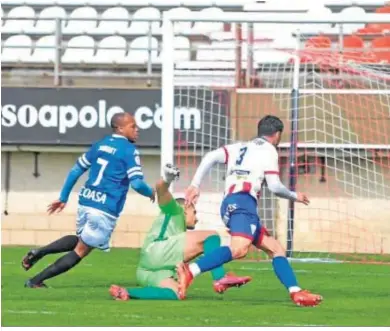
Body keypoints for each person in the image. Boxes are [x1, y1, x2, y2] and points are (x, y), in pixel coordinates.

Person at [178, 115, 323, 307]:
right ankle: (190, 270)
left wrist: (195, 184)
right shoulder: (269, 150)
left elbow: (210, 157)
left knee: (276, 249)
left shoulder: (239, 147)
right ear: (277, 134)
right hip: (243, 202)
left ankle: (296, 292)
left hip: (233, 202)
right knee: (239, 249)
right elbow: (274, 186)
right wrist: (294, 195)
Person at [22, 113, 155, 288]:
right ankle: (36, 281)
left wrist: (63, 197)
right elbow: (137, 183)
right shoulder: (129, 151)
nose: (137, 130)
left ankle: (39, 252)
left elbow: (76, 170)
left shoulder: (100, 145)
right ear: (120, 128)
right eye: (133, 126)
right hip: (104, 208)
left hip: (86, 201)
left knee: (81, 239)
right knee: (81, 250)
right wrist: (150, 192)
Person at [109, 164, 251, 301]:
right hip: (158, 251)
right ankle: (219, 277)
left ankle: (127, 292)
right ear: (185, 208)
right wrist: (167, 179)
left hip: (146, 272)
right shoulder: (175, 210)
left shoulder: (178, 230)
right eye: (194, 212)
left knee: (177, 293)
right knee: (211, 236)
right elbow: (161, 190)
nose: (196, 218)